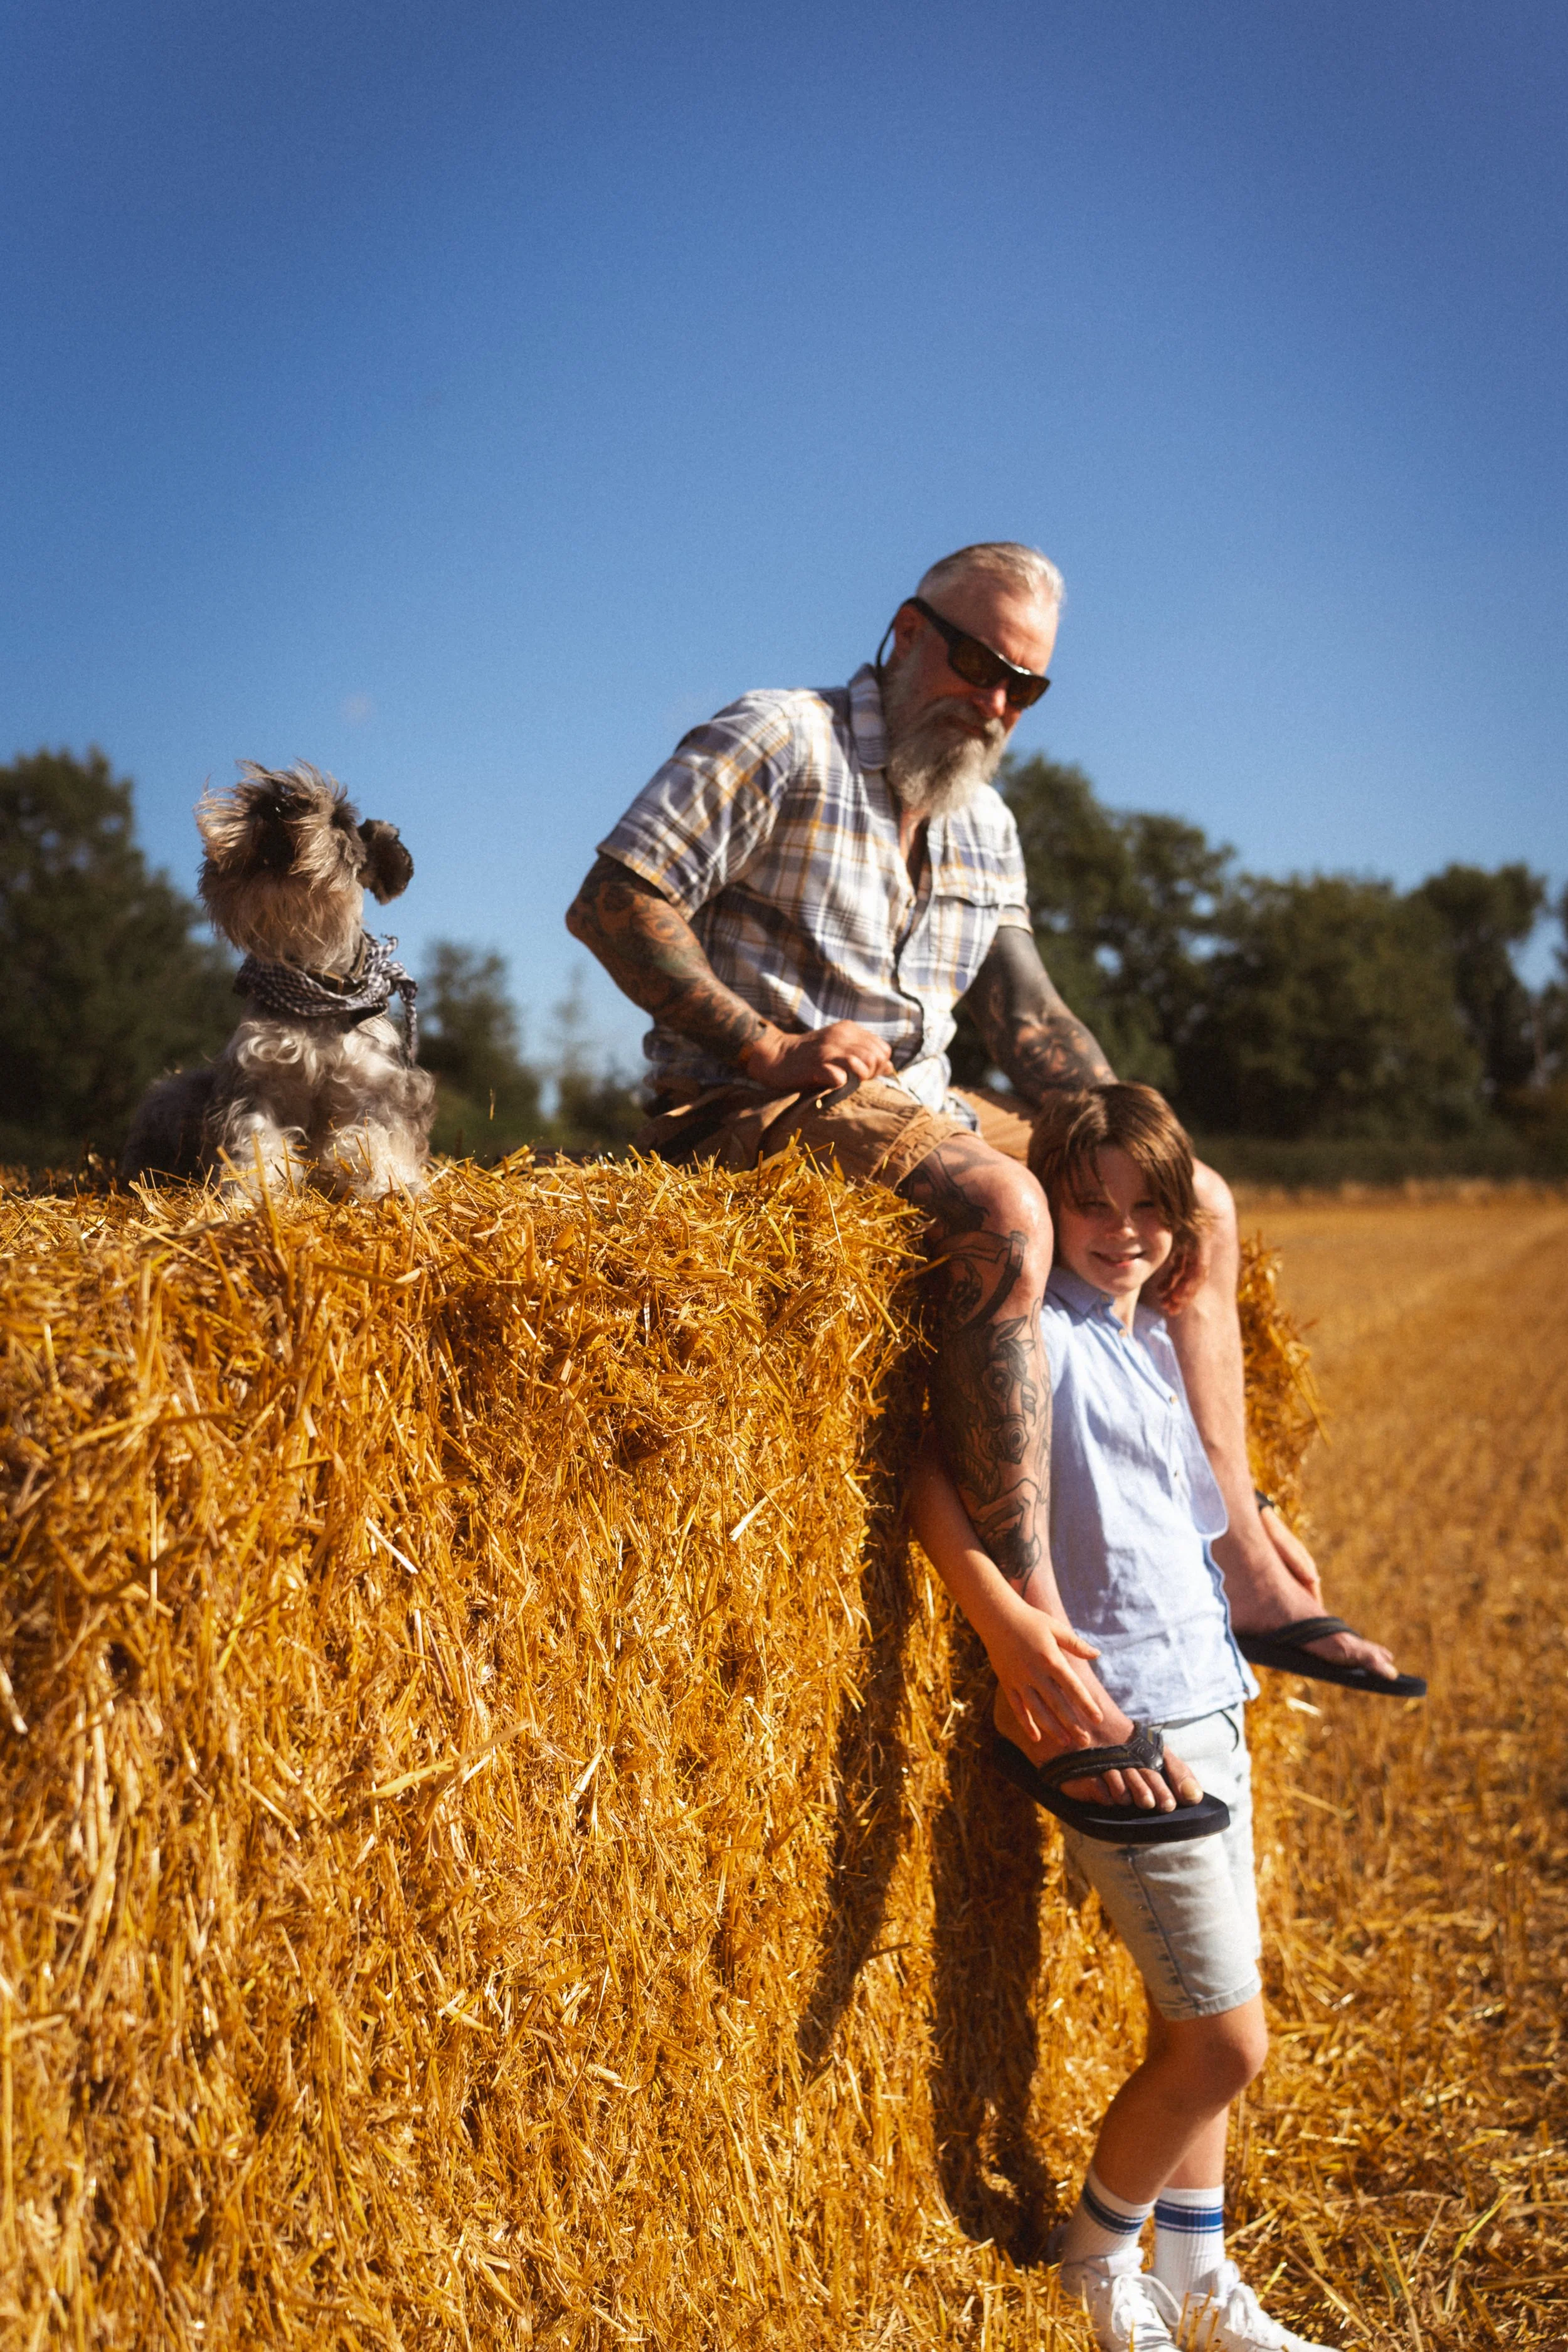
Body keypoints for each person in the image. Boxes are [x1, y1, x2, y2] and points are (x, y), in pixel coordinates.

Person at [566, 541, 1409, 1814]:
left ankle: (1237, 1548)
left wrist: (1135, 1139)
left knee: (1203, 1199)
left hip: (923, 1103)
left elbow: (1026, 1019)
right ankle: (1043, 1660)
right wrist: (764, 1042)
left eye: (1026, 685)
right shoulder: (781, 737)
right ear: (907, 633)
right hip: (751, 1108)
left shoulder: (983, 820)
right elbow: (615, 903)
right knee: (1002, 1205)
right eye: (976, 662)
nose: (996, 701)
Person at [909, 1084, 1333, 2352]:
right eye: (1087, 1204)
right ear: (1049, 1203)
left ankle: (1196, 2279)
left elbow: (1184, 1499)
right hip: (1117, 1722)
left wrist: (1249, 1524)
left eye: (1146, 1207)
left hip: (1212, 1696)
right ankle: (1095, 2259)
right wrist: (999, 1620)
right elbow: (920, 1466)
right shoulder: (1034, 1331)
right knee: (1223, 2046)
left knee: (1189, 2017)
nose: (1122, 1229)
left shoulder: (1157, 1341)